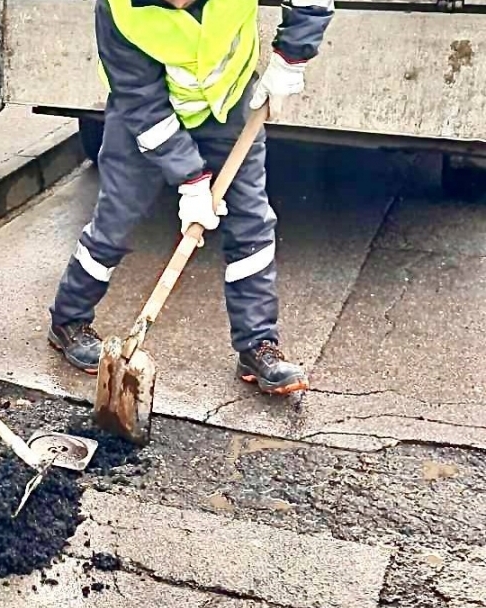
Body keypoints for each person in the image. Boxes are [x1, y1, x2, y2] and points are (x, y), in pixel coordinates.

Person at [47, 0, 333, 395]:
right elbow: (140, 101)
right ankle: (68, 320)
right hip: (144, 119)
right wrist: (192, 179)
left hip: (228, 108)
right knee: (117, 217)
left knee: (252, 224)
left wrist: (291, 58)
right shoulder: (118, 8)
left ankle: (257, 346)